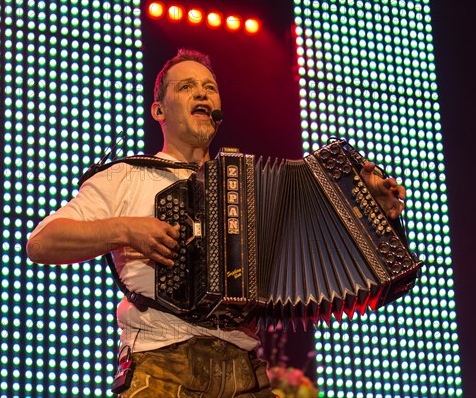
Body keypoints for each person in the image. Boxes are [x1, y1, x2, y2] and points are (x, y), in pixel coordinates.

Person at [27, 48, 406, 397]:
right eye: (187, 86)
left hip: (246, 373)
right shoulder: (126, 176)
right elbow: (42, 243)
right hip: (161, 366)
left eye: (210, 88)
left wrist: (375, 214)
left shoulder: (251, 187)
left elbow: (321, 258)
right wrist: (125, 229)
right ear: (159, 110)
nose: (202, 94)